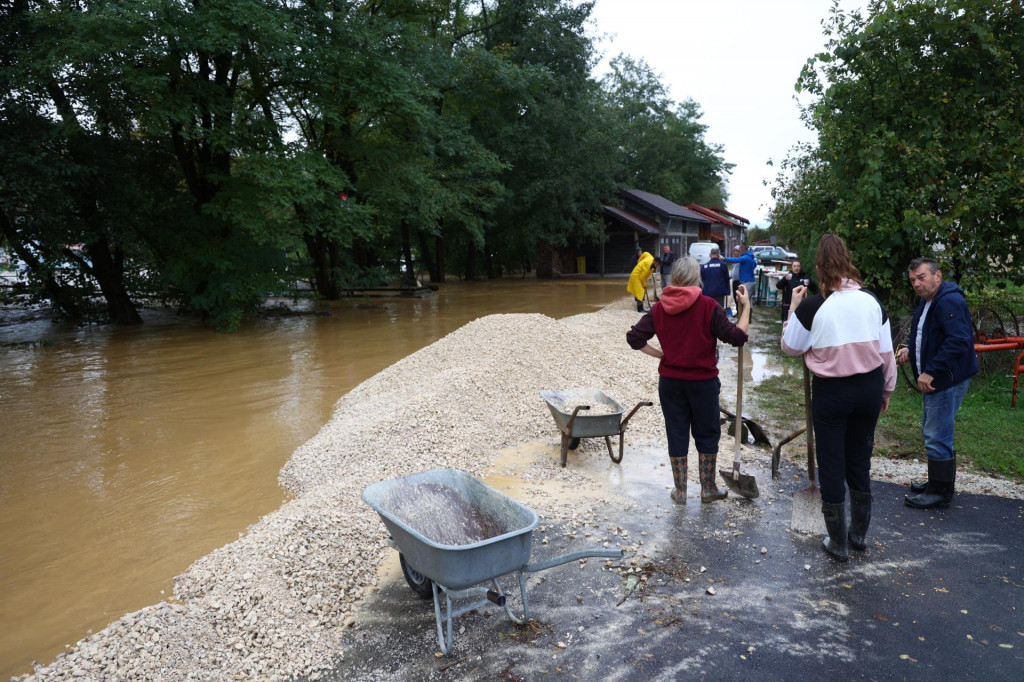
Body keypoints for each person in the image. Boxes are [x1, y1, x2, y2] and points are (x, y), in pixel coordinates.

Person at [781, 235, 896, 562]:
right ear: (848, 263)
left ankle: (838, 542)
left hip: (832, 393)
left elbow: (790, 347)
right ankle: (858, 535)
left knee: (831, 461)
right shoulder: (872, 301)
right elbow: (886, 354)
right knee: (859, 459)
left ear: (819, 268)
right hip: (869, 389)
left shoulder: (813, 306)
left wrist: (793, 307)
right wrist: (886, 390)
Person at [627, 257, 751, 504]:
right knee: (707, 433)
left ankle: (681, 491)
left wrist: (661, 355)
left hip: (671, 383)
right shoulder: (708, 306)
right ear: (697, 279)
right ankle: (708, 489)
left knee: (677, 431)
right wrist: (745, 307)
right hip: (703, 383)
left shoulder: (660, 308)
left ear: (675, 279)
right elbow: (737, 337)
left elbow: (634, 338)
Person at [896, 257, 977, 510]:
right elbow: (925, 334)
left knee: (937, 434)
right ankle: (937, 484)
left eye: (921, 277)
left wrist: (931, 371)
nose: (917, 284)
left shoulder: (949, 300)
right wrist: (910, 349)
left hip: (945, 380)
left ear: (937, 276)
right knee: (935, 431)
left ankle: (940, 493)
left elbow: (958, 341)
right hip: (940, 379)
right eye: (912, 280)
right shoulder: (929, 301)